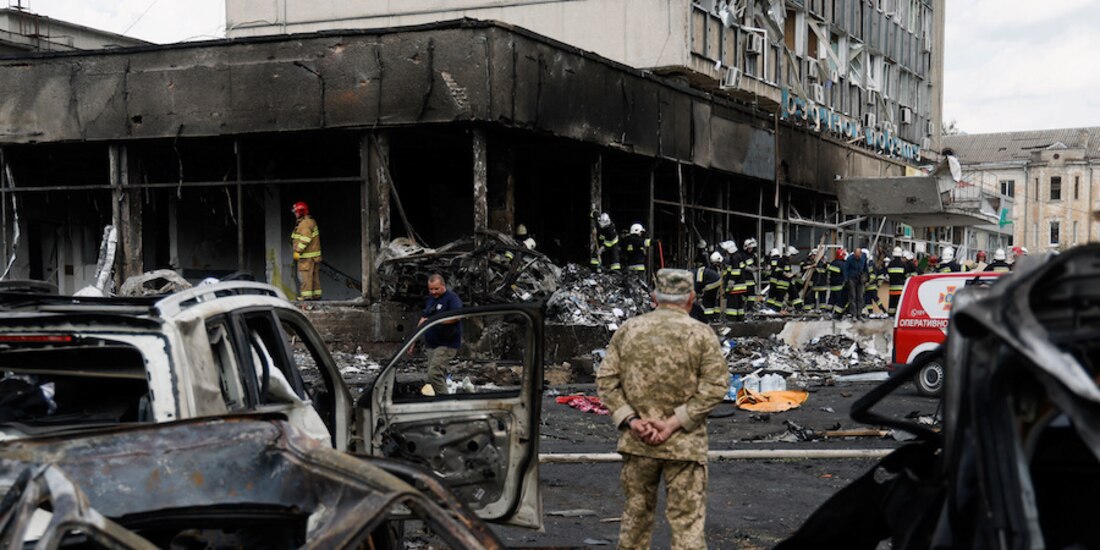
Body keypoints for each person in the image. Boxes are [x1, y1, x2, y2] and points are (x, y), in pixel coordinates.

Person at [596, 268, 728, 550]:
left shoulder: (628, 330)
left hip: (638, 443)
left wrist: (631, 420)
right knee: (687, 525)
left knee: (635, 519)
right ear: (691, 298)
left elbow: (606, 380)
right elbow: (716, 387)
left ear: (654, 296)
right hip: (684, 446)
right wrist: (673, 423)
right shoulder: (702, 334)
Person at [418, 274, 464, 396]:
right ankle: (438, 400)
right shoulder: (431, 299)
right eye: (431, 289)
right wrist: (413, 340)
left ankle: (445, 401)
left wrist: (438, 321)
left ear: (443, 286)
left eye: (436, 289)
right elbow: (424, 319)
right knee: (435, 376)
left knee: (434, 374)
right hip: (432, 344)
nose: (433, 292)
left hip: (447, 343)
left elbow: (457, 316)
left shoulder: (452, 299)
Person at [290, 201, 322, 300]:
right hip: (314, 257)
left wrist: (297, 251)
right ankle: (316, 295)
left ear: (301, 212)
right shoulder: (310, 221)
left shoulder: (304, 224)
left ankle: (306, 296)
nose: (295, 214)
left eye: (296, 212)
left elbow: (305, 239)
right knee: (314, 277)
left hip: (306, 257)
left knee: (305, 277)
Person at [692, 253, 723, 323]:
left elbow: (698, 284)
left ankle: (707, 318)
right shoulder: (707, 270)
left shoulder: (698, 272)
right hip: (716, 282)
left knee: (707, 301)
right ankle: (714, 317)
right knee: (712, 300)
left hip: (712, 283)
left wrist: (698, 293)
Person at [719, 241, 746, 322]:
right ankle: (740, 319)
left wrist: (730, 284)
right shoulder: (738, 256)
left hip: (735, 287)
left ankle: (732, 320)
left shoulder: (734, 258)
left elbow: (735, 272)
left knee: (732, 305)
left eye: (726, 250)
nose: (726, 252)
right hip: (740, 286)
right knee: (739, 305)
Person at [863, 249, 887, 317]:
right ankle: (870, 312)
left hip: (871, 286)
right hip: (867, 286)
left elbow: (873, 275)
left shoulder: (870, 264)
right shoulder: (867, 264)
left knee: (875, 298)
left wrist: (868, 283)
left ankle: (883, 310)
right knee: (868, 300)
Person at [844, 246, 866, 319]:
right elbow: (846, 269)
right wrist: (847, 279)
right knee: (852, 296)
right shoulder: (850, 259)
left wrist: (866, 276)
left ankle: (859, 314)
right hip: (852, 279)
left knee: (860, 296)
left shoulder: (863, 258)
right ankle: (854, 314)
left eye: (858, 256)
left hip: (860, 279)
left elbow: (865, 268)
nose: (857, 257)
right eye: (856, 256)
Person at [740, 238, 760, 311]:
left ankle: (749, 308)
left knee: (752, 295)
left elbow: (753, 264)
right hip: (744, 278)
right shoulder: (742, 255)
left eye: (752, 248)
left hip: (751, 278)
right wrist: (751, 269)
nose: (751, 249)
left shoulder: (752, 255)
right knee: (744, 295)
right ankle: (744, 307)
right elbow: (742, 266)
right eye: (749, 248)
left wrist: (757, 268)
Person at [827, 248, 848, 318]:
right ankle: (837, 314)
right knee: (840, 301)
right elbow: (845, 275)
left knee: (831, 300)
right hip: (840, 286)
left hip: (832, 286)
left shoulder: (833, 262)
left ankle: (828, 312)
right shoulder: (843, 264)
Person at [886, 247, 908, 315]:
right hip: (900, 288)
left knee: (892, 303)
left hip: (892, 288)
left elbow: (888, 274)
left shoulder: (890, 264)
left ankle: (891, 315)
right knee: (899, 303)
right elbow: (906, 275)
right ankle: (898, 315)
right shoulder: (903, 264)